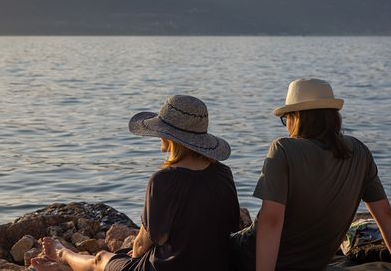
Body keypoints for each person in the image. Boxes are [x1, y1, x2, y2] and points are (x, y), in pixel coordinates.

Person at [32, 95, 241, 271]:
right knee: (121, 255)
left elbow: (142, 243)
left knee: (102, 258)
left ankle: (62, 254)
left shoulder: (163, 180)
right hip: (217, 265)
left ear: (170, 137)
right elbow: (230, 226)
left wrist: (132, 255)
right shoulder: (223, 174)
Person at [255, 79, 391, 271]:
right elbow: (386, 215)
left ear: (296, 117)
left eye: (286, 118)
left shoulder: (284, 149)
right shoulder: (358, 151)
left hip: (253, 258)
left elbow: (271, 220)